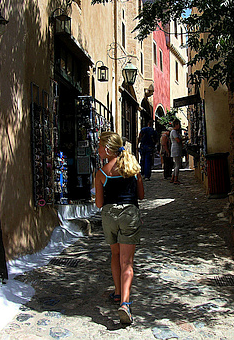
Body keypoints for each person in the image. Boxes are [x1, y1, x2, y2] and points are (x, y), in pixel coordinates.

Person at [94, 132, 145, 325]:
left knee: (115, 255)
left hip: (109, 216)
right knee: (128, 262)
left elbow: (99, 203)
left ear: (107, 149)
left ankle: (117, 292)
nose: (98, 149)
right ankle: (125, 302)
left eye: (100, 146)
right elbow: (141, 196)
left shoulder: (101, 172)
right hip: (129, 215)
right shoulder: (133, 169)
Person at [169, 119, 185, 185]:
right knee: (178, 165)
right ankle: (176, 179)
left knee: (176, 165)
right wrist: (184, 139)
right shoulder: (174, 132)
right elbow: (177, 140)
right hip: (176, 149)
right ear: (176, 125)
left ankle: (173, 178)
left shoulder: (174, 132)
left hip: (176, 149)